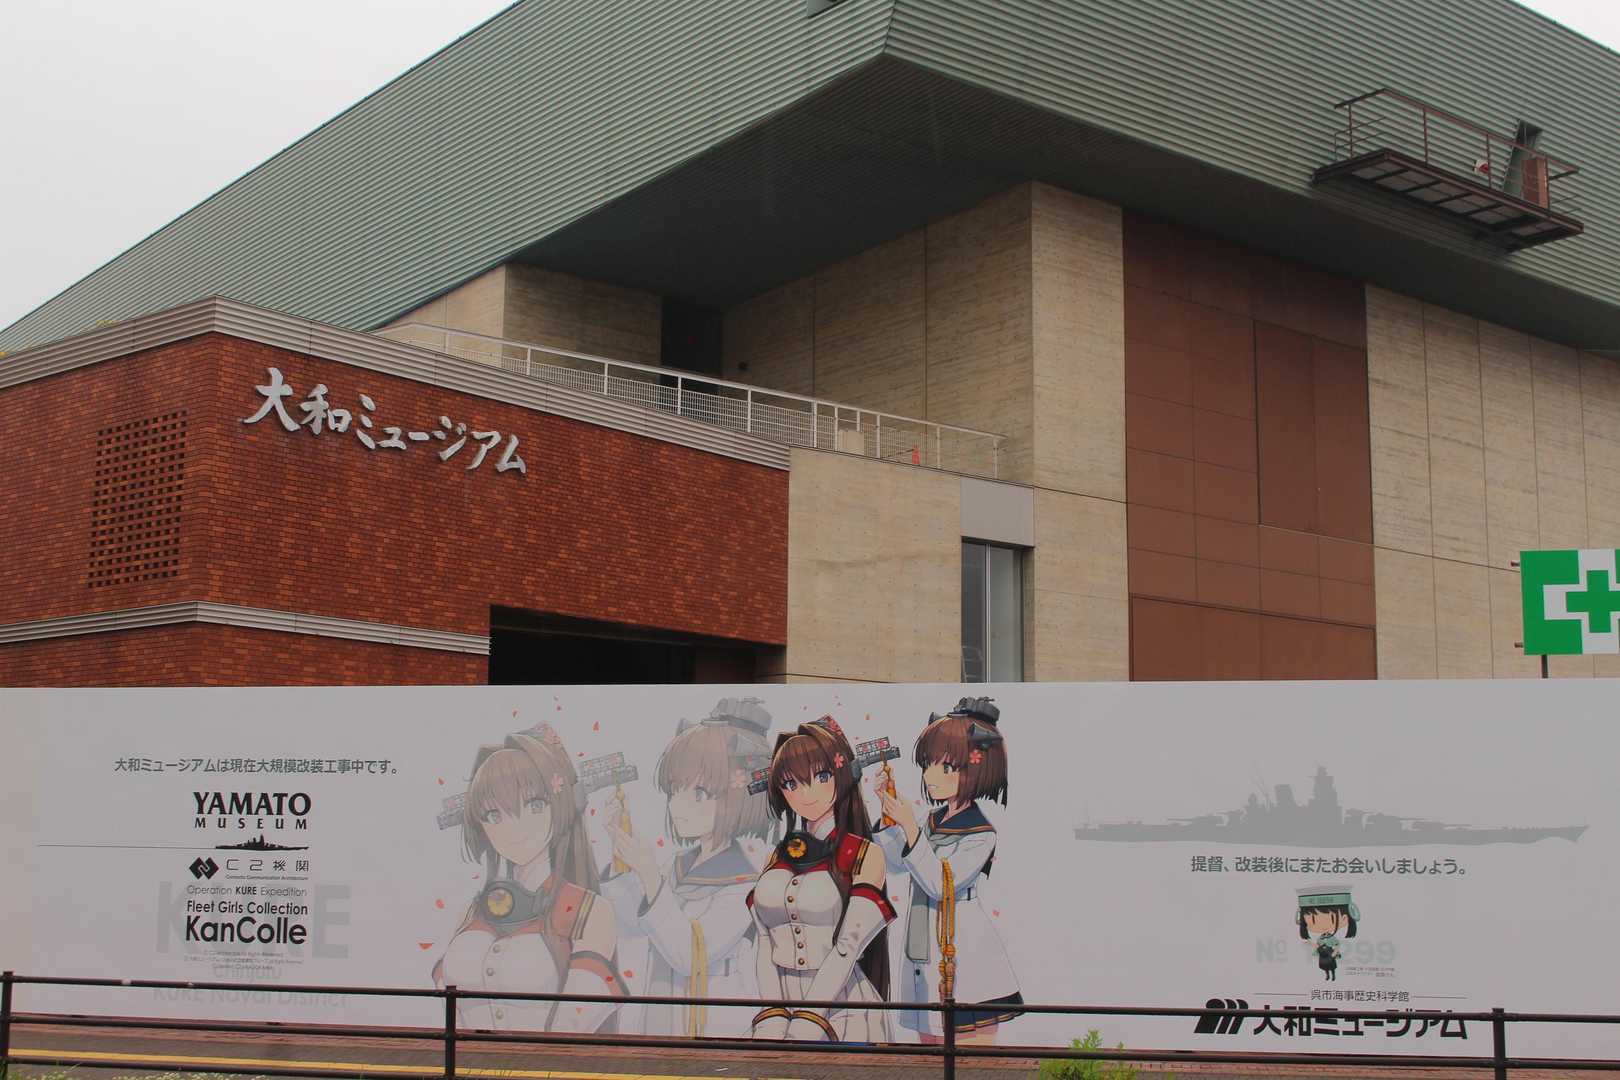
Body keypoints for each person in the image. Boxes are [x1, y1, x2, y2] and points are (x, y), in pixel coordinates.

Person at [601, 698, 776, 1036]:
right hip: (662, 1019)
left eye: (699, 792)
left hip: (715, 1031)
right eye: (674, 791)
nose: (677, 805)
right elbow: (632, 926)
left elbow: (690, 954)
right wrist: (621, 854)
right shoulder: (678, 865)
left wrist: (649, 874)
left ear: (737, 794)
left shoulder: (747, 884)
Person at [434, 724, 625, 1031]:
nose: (513, 827)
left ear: (559, 806)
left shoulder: (589, 911)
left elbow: (573, 1025)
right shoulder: (471, 912)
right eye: (494, 815)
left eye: (534, 805)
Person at [875, 697, 1022, 1043]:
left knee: (970, 1056)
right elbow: (895, 863)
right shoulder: (930, 821)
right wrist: (888, 814)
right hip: (922, 946)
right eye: (928, 764)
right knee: (931, 1047)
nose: (930, 776)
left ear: (976, 769)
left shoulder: (980, 834)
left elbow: (941, 884)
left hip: (965, 953)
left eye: (946, 767)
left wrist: (908, 826)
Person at [747, 717, 894, 1042]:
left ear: (842, 776)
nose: (805, 794)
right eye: (790, 784)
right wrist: (772, 1012)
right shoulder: (776, 856)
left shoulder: (863, 855)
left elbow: (848, 946)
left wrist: (811, 1015)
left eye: (821, 777)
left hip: (843, 1007)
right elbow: (764, 940)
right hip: (780, 1008)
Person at [1296, 886, 1359, 982]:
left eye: (1332, 919)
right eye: (1313, 920)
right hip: (1323, 956)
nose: (1322, 925)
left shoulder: (1331, 938)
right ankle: (1327, 975)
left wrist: (1335, 952)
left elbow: (1337, 944)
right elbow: (1318, 946)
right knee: (1325, 967)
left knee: (1331, 967)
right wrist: (1311, 943)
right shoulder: (1320, 938)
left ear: (1345, 918)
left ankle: (1333, 975)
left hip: (1330, 954)